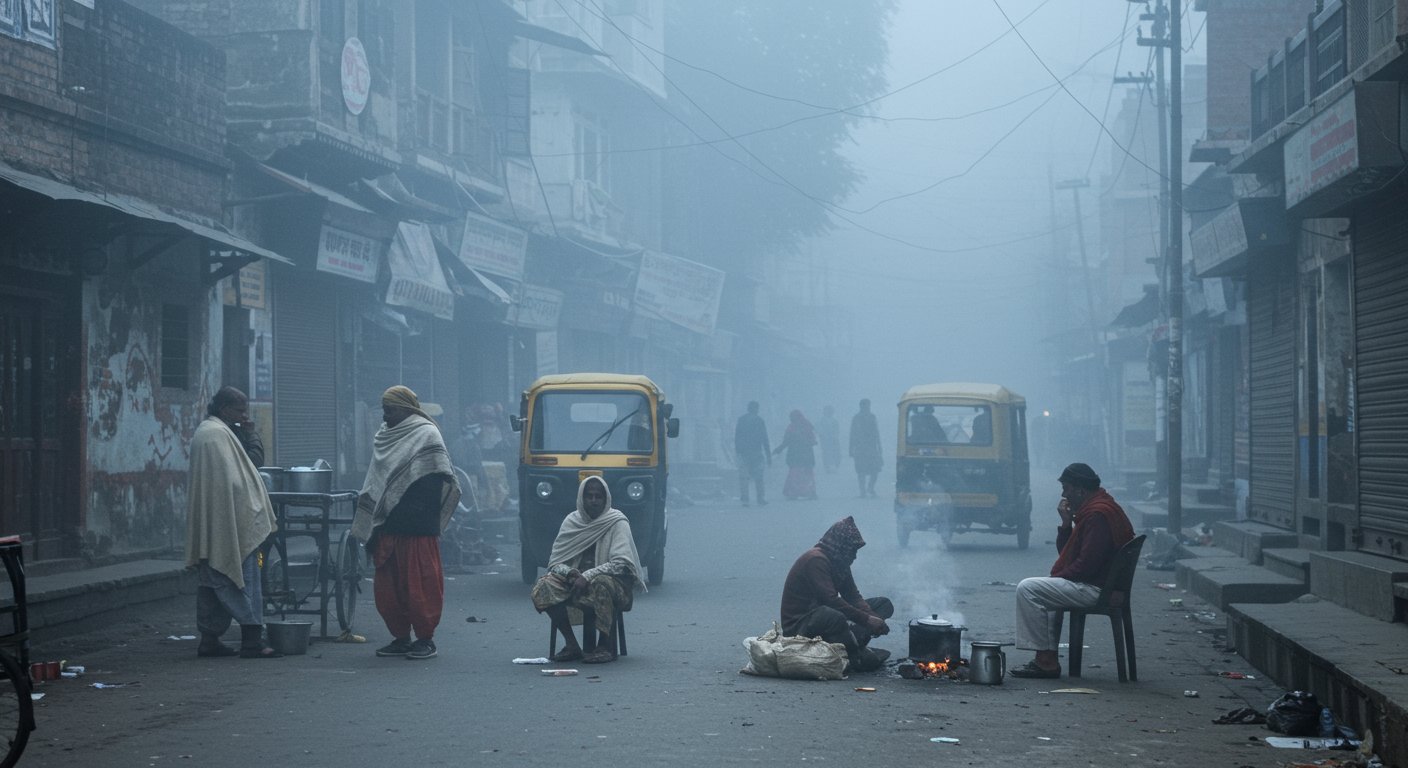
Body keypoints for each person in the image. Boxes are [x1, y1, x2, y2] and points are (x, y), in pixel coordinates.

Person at [353, 385, 461, 661]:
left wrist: (407, 502)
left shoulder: (426, 433)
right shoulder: (385, 435)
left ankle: (425, 639)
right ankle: (400, 637)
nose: (385, 415)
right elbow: (379, 477)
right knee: (389, 589)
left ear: (405, 407)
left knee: (421, 587)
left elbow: (438, 475)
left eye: (390, 409)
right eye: (384, 409)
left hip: (417, 525)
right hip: (388, 524)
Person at [1010, 462, 1135, 679]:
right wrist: (1066, 524)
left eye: (1066, 488)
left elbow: (1085, 566)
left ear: (1080, 490)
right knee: (1043, 589)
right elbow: (1068, 555)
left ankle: (1046, 661)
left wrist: (1058, 578)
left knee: (1028, 589)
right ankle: (1046, 659)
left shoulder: (1098, 515)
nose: (1063, 494)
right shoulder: (1097, 508)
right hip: (1099, 583)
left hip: (1097, 588)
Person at [185, 386, 281, 659]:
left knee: (211, 581)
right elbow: (247, 470)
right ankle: (252, 639)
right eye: (239, 410)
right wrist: (251, 435)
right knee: (241, 579)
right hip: (231, 522)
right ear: (225, 409)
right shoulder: (216, 436)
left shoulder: (216, 432)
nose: (243, 415)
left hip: (218, 520)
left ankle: (209, 640)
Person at [531, 476, 643, 664]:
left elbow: (621, 563)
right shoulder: (571, 521)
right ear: (581, 499)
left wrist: (587, 575)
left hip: (614, 587)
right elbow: (555, 563)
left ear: (605, 498)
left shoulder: (617, 522)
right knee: (544, 585)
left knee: (601, 583)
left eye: (598, 496)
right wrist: (571, 574)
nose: (593, 500)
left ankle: (604, 645)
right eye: (589, 496)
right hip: (575, 584)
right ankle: (572, 645)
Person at [780, 516, 893, 672]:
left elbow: (853, 597)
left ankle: (851, 642)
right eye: (852, 550)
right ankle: (854, 655)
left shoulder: (840, 562)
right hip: (801, 624)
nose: (854, 556)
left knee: (883, 605)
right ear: (841, 546)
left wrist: (873, 618)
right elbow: (830, 600)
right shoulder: (816, 560)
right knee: (833, 615)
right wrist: (866, 620)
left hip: (827, 619)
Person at [774, 410, 819, 500]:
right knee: (807, 474)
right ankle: (810, 492)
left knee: (794, 474)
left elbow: (786, 441)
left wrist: (779, 449)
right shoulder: (807, 425)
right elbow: (813, 441)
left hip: (795, 455)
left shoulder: (791, 427)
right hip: (806, 455)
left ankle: (793, 492)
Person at [734, 401, 771, 507]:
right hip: (756, 451)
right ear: (756, 409)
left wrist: (738, 451)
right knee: (759, 476)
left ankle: (745, 498)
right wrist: (768, 455)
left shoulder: (741, 420)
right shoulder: (759, 421)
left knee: (744, 477)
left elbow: (737, 436)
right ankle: (760, 498)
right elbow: (765, 438)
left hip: (744, 452)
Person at [849, 399, 883, 498]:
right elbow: (852, 434)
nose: (866, 407)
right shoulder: (856, 418)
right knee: (861, 471)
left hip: (871, 448)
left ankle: (870, 488)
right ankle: (863, 491)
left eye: (867, 405)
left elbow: (877, 433)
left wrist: (879, 447)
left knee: (875, 470)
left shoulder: (872, 417)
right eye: (864, 405)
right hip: (860, 448)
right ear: (861, 406)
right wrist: (851, 449)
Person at [817, 405, 841, 474]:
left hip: (834, 440)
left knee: (836, 453)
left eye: (831, 411)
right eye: (828, 411)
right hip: (825, 441)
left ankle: (836, 466)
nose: (830, 412)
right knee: (826, 454)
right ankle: (827, 467)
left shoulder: (835, 421)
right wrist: (824, 436)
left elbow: (837, 430)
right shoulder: (821, 421)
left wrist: (834, 436)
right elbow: (819, 431)